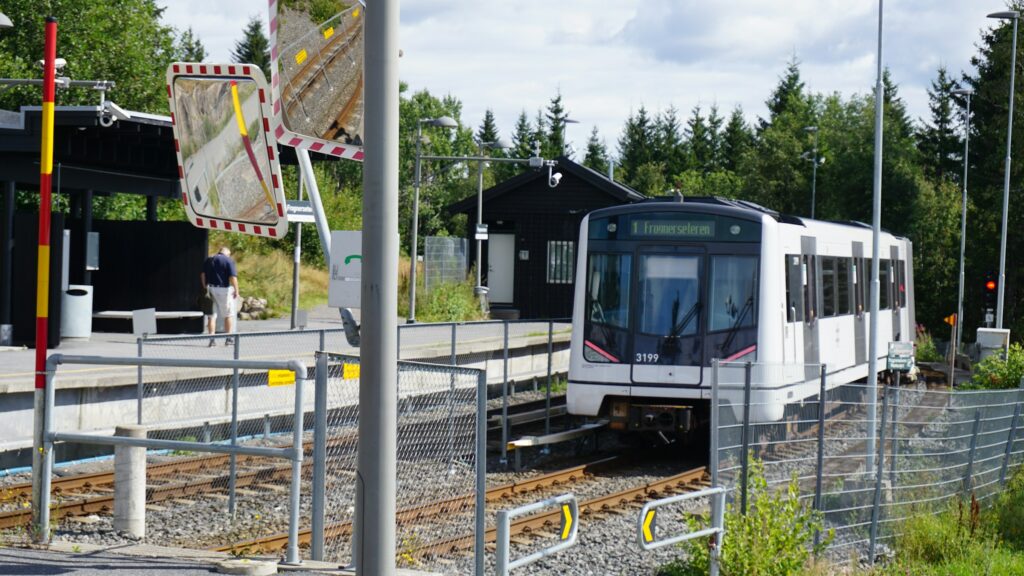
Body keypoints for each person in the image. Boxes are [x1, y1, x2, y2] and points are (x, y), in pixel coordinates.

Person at [200, 246, 239, 346]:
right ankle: (228, 339)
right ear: (227, 253)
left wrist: (205, 287)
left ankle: (212, 340)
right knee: (228, 315)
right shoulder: (228, 260)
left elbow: (203, 274)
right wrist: (236, 291)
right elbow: (232, 277)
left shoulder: (209, 259)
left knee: (211, 316)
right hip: (223, 290)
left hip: (210, 289)